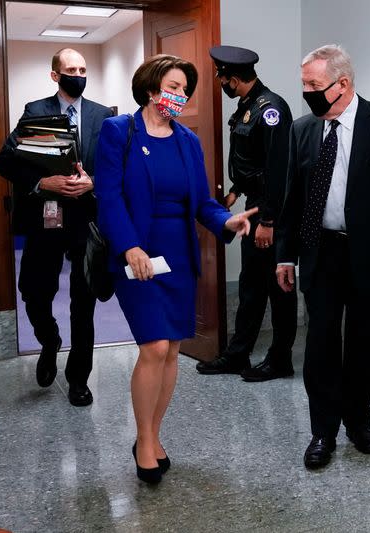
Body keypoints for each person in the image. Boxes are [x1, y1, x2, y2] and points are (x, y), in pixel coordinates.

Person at [94, 54, 256, 484]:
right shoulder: (118, 131)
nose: (181, 95)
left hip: (177, 257)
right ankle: (144, 440)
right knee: (153, 347)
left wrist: (227, 221)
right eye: (173, 86)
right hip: (137, 255)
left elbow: (202, 201)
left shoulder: (188, 140)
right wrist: (129, 247)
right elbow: (108, 197)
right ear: (151, 89)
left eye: (185, 89)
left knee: (171, 351)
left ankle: (152, 433)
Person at [275, 44, 370, 469]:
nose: (306, 92)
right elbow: (293, 198)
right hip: (320, 251)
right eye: (304, 83)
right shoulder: (303, 129)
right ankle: (322, 431)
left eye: (314, 85)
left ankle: (358, 420)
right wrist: (285, 256)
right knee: (320, 342)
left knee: (365, 340)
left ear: (343, 84)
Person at [0, 48, 113, 407]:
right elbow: (5, 161)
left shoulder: (102, 116)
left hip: (86, 221)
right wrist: (44, 183)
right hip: (46, 216)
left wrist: (93, 181)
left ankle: (79, 378)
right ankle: (49, 340)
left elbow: (116, 168)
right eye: (71, 69)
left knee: (84, 301)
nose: (78, 74)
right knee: (34, 290)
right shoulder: (36, 112)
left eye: (82, 68)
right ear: (55, 75)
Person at [195, 45, 298, 382]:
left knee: (278, 288)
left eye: (222, 79)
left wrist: (268, 222)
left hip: (272, 213)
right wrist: (235, 193)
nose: (220, 84)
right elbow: (250, 163)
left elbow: (278, 168)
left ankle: (280, 359)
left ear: (234, 79)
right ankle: (238, 355)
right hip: (254, 205)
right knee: (251, 287)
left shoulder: (271, 109)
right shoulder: (246, 107)